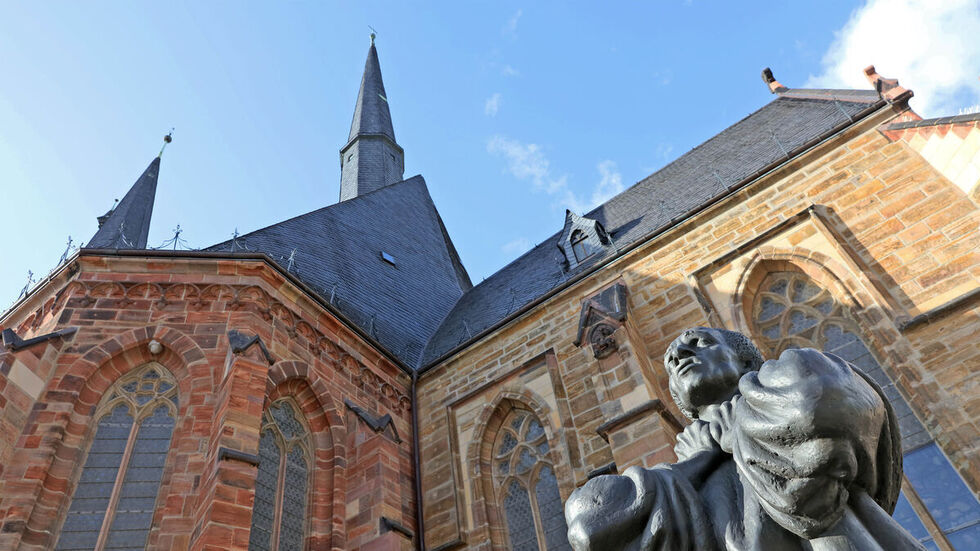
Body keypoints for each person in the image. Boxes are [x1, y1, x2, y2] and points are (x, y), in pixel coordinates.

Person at [564, 327, 926, 551]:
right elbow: (591, 529)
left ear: (744, 360)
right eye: (672, 361)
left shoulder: (802, 374)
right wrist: (700, 460)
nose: (678, 355)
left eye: (699, 343)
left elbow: (816, 409)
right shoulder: (679, 480)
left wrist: (739, 424)